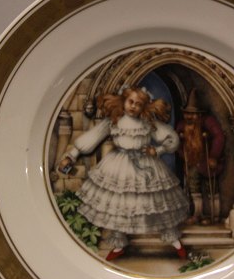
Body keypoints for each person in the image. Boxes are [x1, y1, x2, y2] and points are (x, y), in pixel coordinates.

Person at [58, 86, 189, 260]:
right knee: (119, 205)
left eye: (138, 104)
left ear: (144, 106)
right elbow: (93, 137)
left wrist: (158, 151)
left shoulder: (148, 122)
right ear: (123, 101)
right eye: (131, 102)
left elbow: (172, 139)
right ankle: (119, 244)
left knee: (158, 204)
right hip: (119, 164)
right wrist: (72, 155)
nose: (133, 106)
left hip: (146, 165)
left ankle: (175, 241)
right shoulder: (114, 121)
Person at [176, 88, 225, 225]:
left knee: (212, 188)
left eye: (193, 114)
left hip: (208, 162)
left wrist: (214, 156)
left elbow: (219, 137)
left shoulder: (208, 122)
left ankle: (214, 216)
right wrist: (184, 156)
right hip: (192, 161)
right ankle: (197, 214)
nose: (189, 117)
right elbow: (176, 142)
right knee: (194, 188)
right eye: (187, 113)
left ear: (199, 114)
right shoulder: (182, 126)